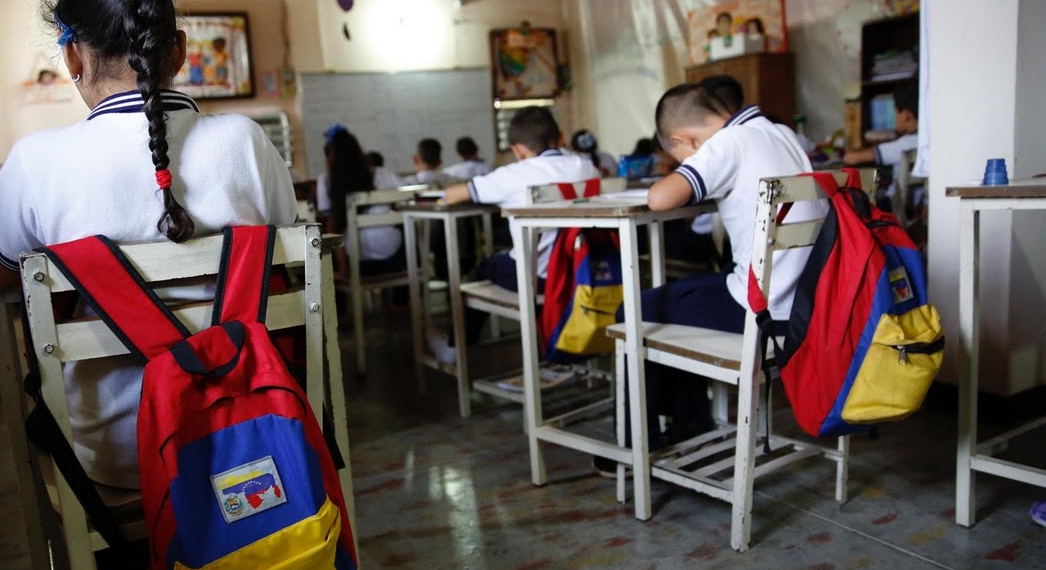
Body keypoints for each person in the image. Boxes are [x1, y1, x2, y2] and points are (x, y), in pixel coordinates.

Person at [0, 0, 298, 489]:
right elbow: (290, 256)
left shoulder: (33, 164)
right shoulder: (247, 143)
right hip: (256, 430)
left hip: (118, 455)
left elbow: (8, 279)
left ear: (73, 58)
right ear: (178, 51)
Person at [638, 83, 825, 448]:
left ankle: (640, 443)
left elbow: (659, 199)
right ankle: (690, 418)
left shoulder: (727, 143)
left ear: (685, 141)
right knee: (690, 290)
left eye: (679, 157)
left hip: (761, 310)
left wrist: (687, 170)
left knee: (639, 308)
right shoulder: (781, 133)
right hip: (807, 302)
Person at [434, 107, 598, 362]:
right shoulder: (585, 167)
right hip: (582, 270)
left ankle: (454, 347)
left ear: (518, 149)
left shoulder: (515, 174)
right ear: (559, 136)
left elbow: (453, 194)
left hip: (538, 278)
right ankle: (548, 332)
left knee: (484, 267)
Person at [315, 125, 405, 277]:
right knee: (406, 229)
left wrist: (344, 269)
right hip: (394, 258)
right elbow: (408, 195)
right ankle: (405, 296)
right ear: (359, 151)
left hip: (355, 258)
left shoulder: (326, 181)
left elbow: (332, 226)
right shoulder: (383, 173)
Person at [843, 84, 918, 167]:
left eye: (895, 112)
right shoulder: (918, 138)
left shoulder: (906, 144)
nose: (894, 117)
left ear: (905, 116)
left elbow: (852, 157)